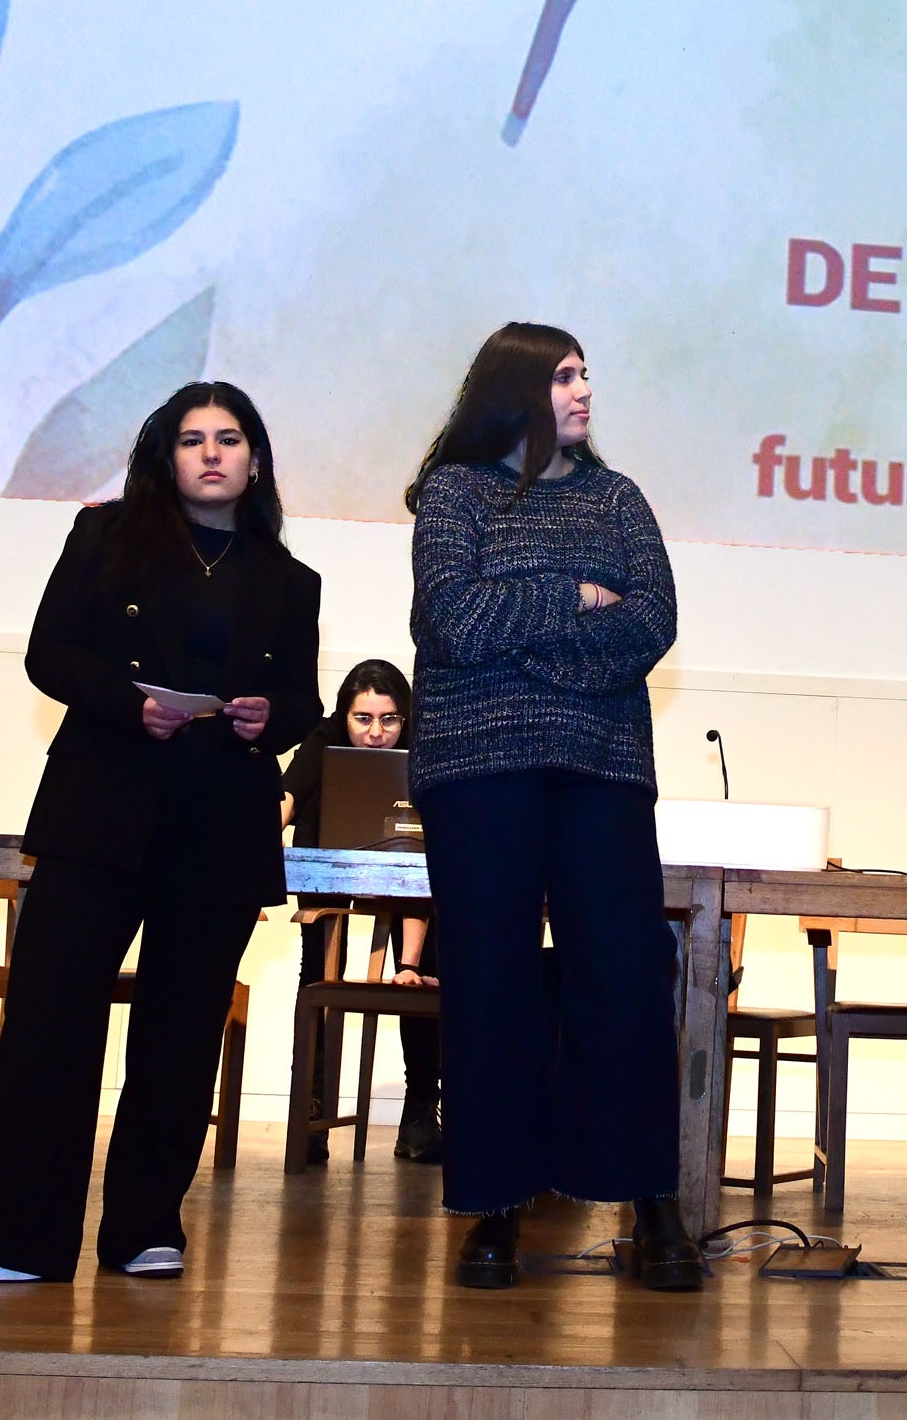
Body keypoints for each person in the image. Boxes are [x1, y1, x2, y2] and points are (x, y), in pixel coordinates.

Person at [0, 383, 320, 1284]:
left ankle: (145, 1226)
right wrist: (130, 705)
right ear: (165, 455)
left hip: (221, 819)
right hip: (102, 805)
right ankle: (11, 1237)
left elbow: (303, 702)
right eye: (192, 439)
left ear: (255, 459)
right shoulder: (104, 536)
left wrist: (267, 716)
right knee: (50, 1018)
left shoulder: (289, 579)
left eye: (230, 438)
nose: (212, 453)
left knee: (182, 1031)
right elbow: (50, 653)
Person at [403, 322, 697, 1292]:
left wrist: (523, 637)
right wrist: (575, 594)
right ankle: (495, 1205)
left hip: (602, 764)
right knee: (491, 981)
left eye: (585, 374)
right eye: (564, 376)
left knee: (624, 975)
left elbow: (650, 622)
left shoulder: (618, 498)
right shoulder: (455, 493)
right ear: (515, 390)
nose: (583, 390)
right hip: (476, 765)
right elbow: (451, 618)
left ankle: (649, 1198)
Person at [283, 659, 442, 1164]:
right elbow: (288, 795)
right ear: (345, 715)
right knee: (317, 969)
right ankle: (312, 1106)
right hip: (331, 869)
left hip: (411, 878)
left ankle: (421, 1109)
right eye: (363, 719)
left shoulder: (423, 743)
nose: (376, 733)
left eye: (389, 719)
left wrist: (408, 961)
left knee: (425, 969)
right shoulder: (325, 736)